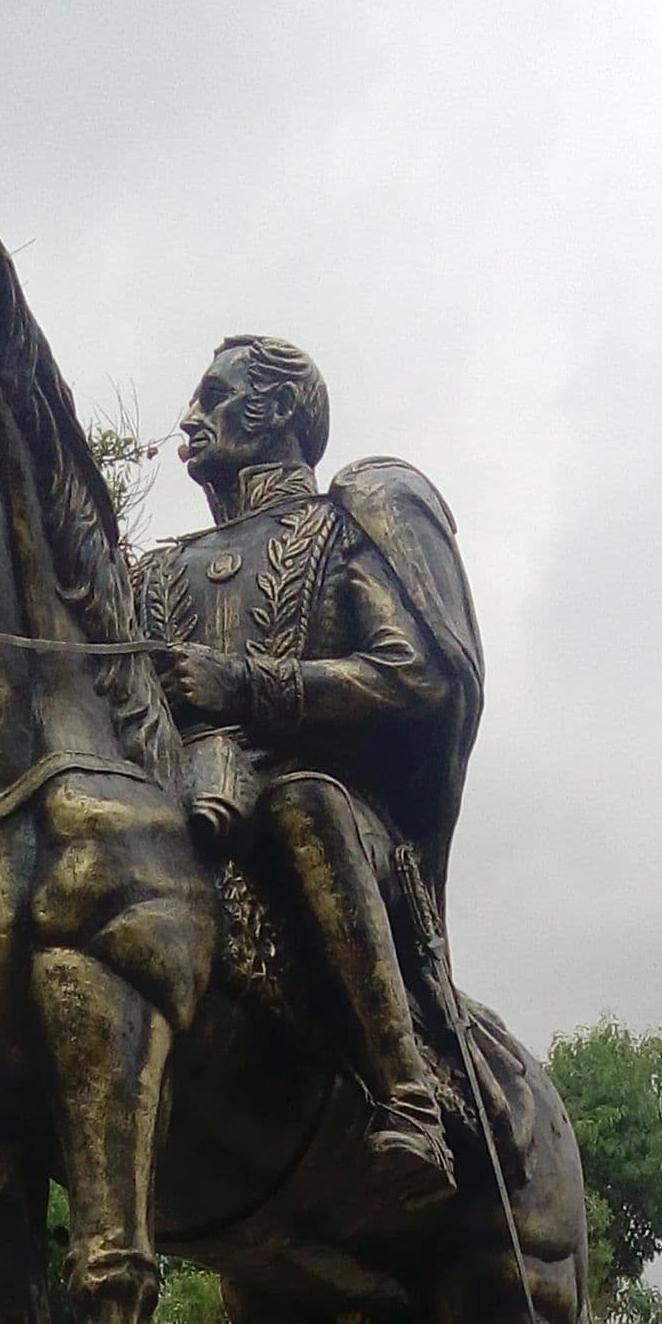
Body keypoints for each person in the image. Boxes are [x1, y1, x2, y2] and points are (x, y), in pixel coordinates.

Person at [139, 334, 486, 1207]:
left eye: (216, 396)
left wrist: (248, 684)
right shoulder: (153, 570)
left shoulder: (345, 529)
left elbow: (414, 672)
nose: (191, 418)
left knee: (305, 803)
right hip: (191, 796)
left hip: (340, 815)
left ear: (283, 410)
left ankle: (409, 1095)